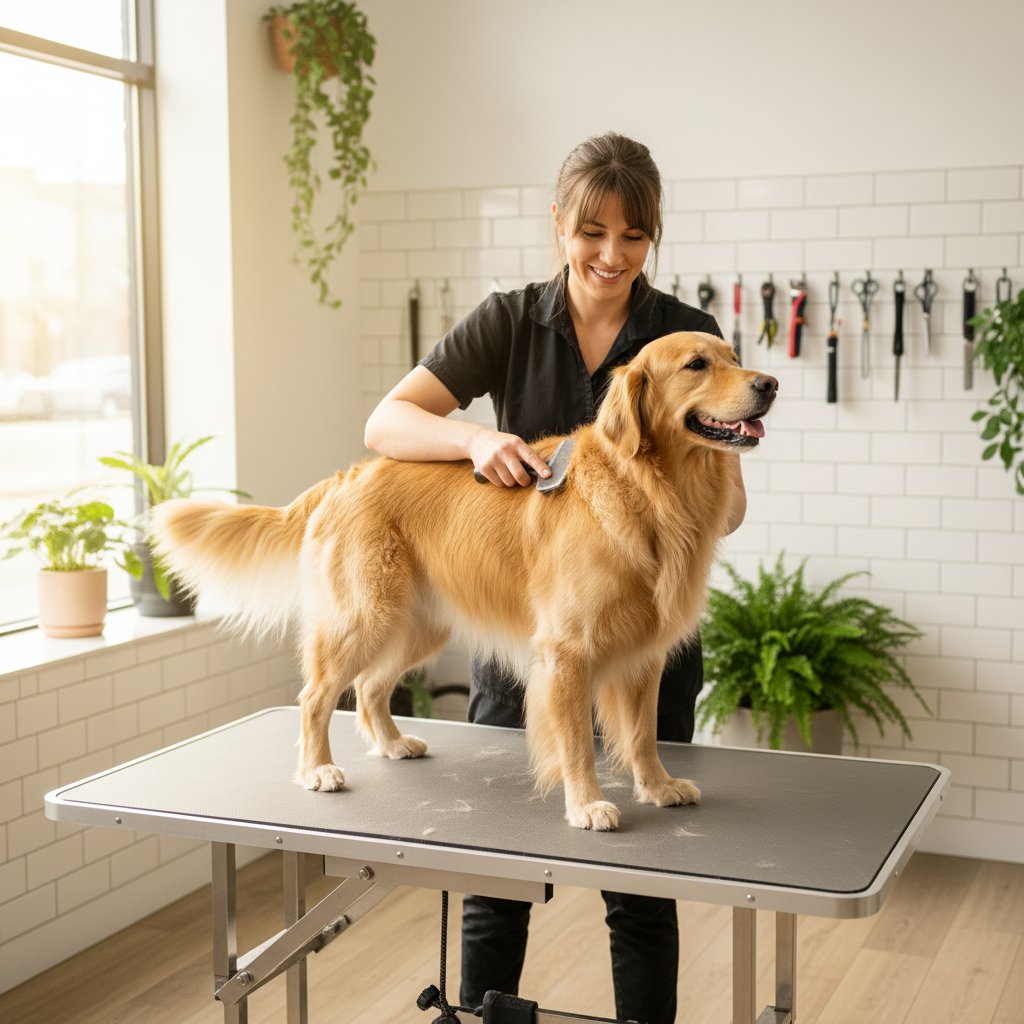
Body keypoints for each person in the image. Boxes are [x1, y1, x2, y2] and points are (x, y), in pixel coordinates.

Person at [364, 131, 747, 1024]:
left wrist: (702, 468)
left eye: (634, 236)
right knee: (498, 879)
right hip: (532, 640)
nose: (612, 256)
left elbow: (729, 509)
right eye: (592, 233)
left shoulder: (683, 334)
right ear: (560, 227)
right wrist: (473, 439)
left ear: (653, 238)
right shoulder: (510, 319)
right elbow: (387, 422)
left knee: (642, 889)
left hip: (648, 641)